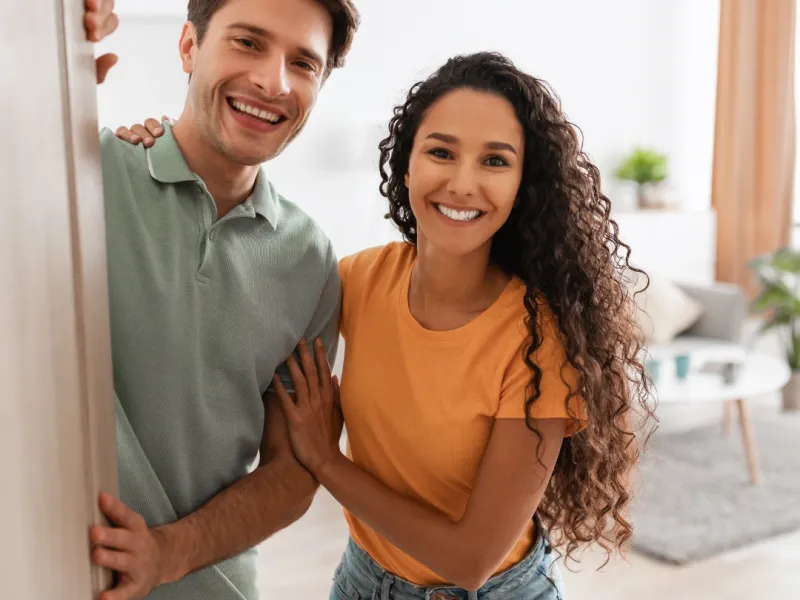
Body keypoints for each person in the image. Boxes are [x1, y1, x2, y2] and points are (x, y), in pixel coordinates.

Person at [125, 52, 654, 599]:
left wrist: (327, 462)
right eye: (441, 152)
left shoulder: (539, 342)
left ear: (524, 185)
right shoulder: (361, 280)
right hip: (362, 580)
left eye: (495, 162)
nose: (463, 183)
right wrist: (156, 152)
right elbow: (241, 298)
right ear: (406, 166)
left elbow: (469, 558)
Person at [82, 1, 360, 599]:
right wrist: (52, 65)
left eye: (303, 63)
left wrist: (168, 553)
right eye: (247, 43)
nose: (273, 81)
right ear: (188, 47)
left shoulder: (310, 260)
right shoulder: (86, 175)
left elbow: (292, 472)